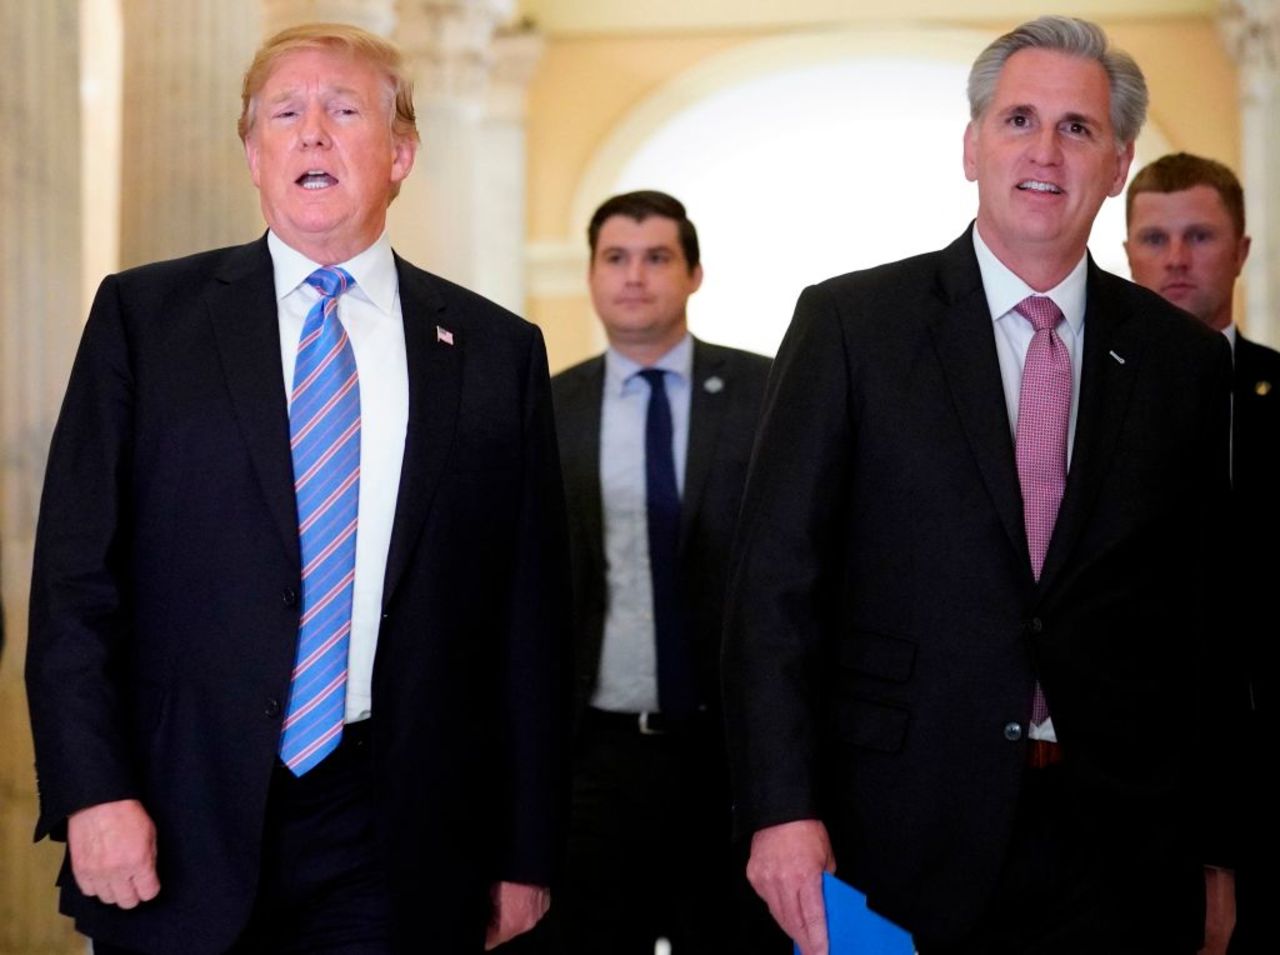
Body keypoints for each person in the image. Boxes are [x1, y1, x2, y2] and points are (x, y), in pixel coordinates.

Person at [26, 23, 569, 955]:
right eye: (285, 112)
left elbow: (530, 622)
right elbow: (75, 580)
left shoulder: (494, 351)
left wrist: (526, 849)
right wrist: (92, 788)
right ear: (253, 152)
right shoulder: (145, 319)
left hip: (394, 824)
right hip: (175, 804)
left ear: (399, 153)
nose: (311, 131)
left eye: (344, 109)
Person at [722, 16, 1236, 955]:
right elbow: (774, 590)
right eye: (1018, 120)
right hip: (893, 832)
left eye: (1077, 128)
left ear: (1118, 162)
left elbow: (1204, 620)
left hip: (1119, 849)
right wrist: (779, 807)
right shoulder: (852, 326)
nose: (1045, 150)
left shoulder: (1183, 363)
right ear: (971, 145)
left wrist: (1217, 849)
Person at [551, 191, 782, 954]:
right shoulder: (550, 407)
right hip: (593, 756)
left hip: (727, 758)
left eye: (657, 258)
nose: (635, 276)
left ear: (694, 274)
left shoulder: (767, 396)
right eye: (615, 258)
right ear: (590, 275)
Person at [1125, 152, 1272, 955]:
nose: (1176, 259)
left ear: (1243, 250)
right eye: (1154, 237)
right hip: (1115, 797)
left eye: (1199, 236)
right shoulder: (1062, 400)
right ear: (1125, 254)